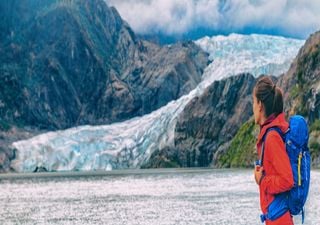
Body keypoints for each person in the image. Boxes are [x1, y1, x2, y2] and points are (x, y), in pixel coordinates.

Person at [253, 76, 294, 225]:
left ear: (260, 105)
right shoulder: (270, 134)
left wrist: (262, 180)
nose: (253, 108)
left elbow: (287, 180)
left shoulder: (272, 137)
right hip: (276, 218)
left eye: (253, 102)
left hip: (279, 220)